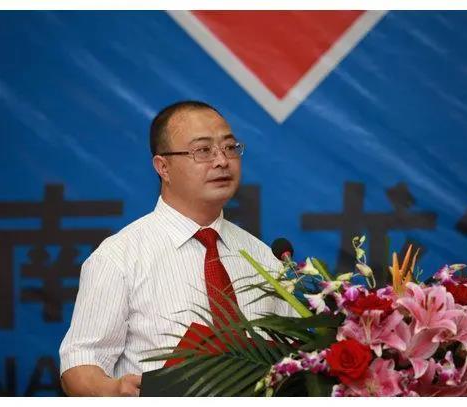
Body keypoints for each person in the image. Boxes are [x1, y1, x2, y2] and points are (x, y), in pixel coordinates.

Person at [59, 101, 294, 396]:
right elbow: (79, 364)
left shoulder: (265, 258)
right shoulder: (119, 258)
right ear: (163, 167)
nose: (222, 161)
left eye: (229, 147)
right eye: (203, 150)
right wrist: (114, 390)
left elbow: (293, 361)